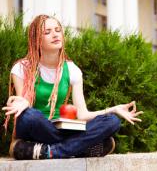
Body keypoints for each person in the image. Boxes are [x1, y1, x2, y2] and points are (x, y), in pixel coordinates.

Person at [2, 14, 143, 160]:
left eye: (58, 30)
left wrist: (114, 109)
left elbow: (82, 115)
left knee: (112, 121)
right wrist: (23, 102)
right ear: (36, 39)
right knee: (30, 116)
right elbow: (23, 106)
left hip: (59, 129)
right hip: (35, 127)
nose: (55, 34)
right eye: (47, 32)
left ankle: (49, 151)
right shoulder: (21, 68)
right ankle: (78, 148)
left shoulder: (72, 69)